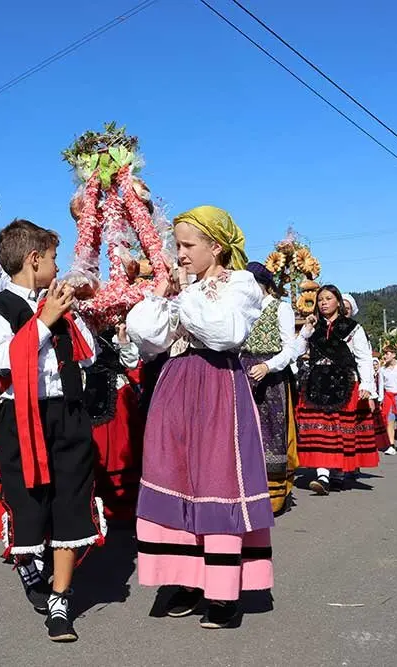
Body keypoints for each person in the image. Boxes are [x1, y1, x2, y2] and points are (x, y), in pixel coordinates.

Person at [127, 205, 273, 630]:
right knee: (174, 475)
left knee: (216, 478)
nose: (181, 253)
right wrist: (160, 296)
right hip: (175, 384)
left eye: (189, 245)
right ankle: (187, 580)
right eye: (177, 245)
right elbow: (150, 340)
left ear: (217, 247)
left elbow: (225, 332)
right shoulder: (183, 288)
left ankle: (224, 591)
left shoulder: (240, 284)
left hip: (217, 387)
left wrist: (183, 297)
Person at [0, 219, 102, 643]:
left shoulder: (58, 303)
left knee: (70, 503)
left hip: (68, 413)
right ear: (33, 260)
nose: (56, 265)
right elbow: (6, 359)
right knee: (30, 506)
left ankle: (61, 599)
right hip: (21, 418)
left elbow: (87, 355)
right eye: (52, 258)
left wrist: (70, 316)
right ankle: (29, 563)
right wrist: (45, 320)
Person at [295, 285, 380, 495]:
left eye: (328, 298)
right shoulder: (313, 327)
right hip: (316, 383)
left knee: (339, 430)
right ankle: (322, 475)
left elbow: (363, 358)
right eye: (320, 299)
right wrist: (305, 331)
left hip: (344, 383)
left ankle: (337, 473)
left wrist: (367, 385)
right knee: (319, 430)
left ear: (338, 302)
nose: (324, 303)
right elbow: (295, 351)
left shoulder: (352, 328)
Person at [240, 261, 304, 516]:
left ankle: (274, 495)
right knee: (245, 433)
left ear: (262, 285)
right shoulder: (242, 310)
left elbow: (289, 348)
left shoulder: (281, 308)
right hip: (243, 374)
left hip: (271, 377)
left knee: (272, 433)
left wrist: (268, 366)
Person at [84, 323, 144, 522]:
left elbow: (132, 363)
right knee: (99, 447)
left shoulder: (123, 327)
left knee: (122, 445)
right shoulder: (80, 324)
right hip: (91, 392)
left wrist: (123, 337)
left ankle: (123, 507)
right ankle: (97, 504)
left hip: (118, 394)